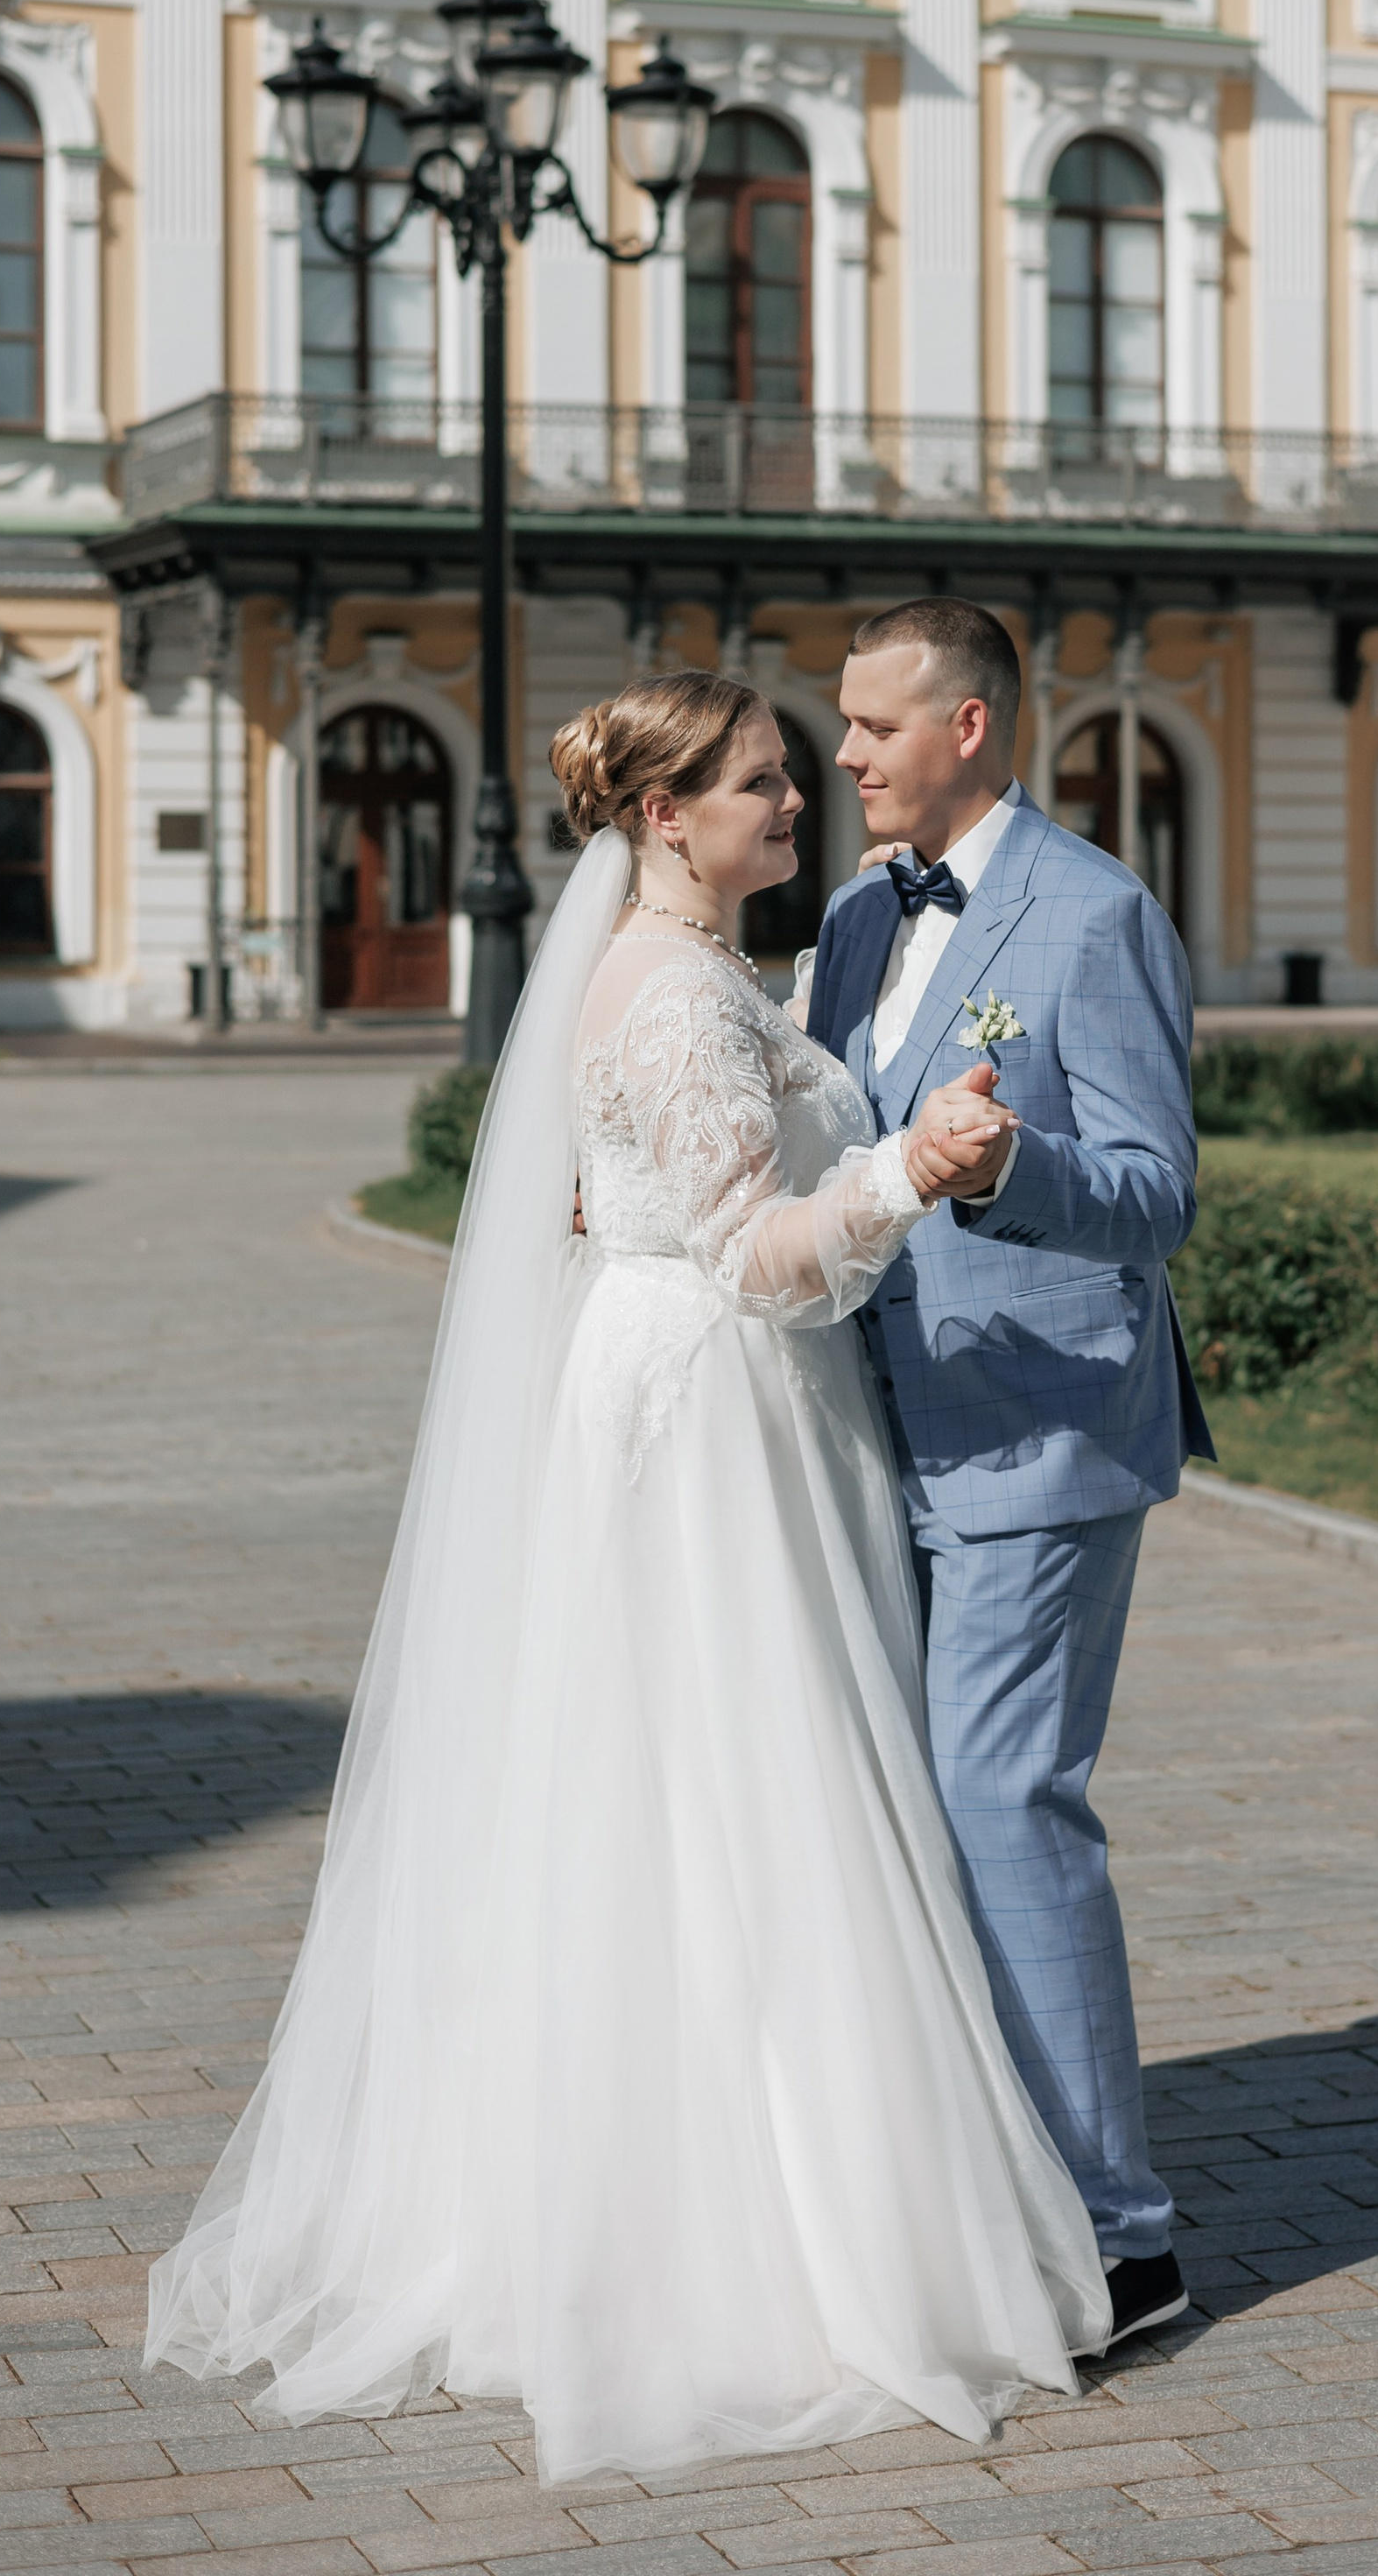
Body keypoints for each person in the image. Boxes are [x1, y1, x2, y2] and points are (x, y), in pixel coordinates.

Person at [147, 672, 1110, 2480]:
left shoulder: (696, 970)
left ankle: (677, 2183)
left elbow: (657, 1189)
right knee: (735, 1793)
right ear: (664, 817)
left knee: (673, 1795)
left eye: (789, 777)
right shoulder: (672, 990)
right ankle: (754, 2239)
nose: (794, 802)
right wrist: (910, 1169)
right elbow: (749, 1251)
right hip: (712, 1414)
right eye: (758, 783)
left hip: (699, 1392)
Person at [805, 597, 1211, 2351]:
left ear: (966, 725)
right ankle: (976, 2198)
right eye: (839, 724)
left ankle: (1122, 2242)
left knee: (1000, 1800)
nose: (842, 754)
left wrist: (1004, 1169)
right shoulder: (848, 919)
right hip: (869, 1432)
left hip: (1041, 1435)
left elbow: (1155, 1195)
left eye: (873, 724)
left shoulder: (1095, 910)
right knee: (900, 1814)